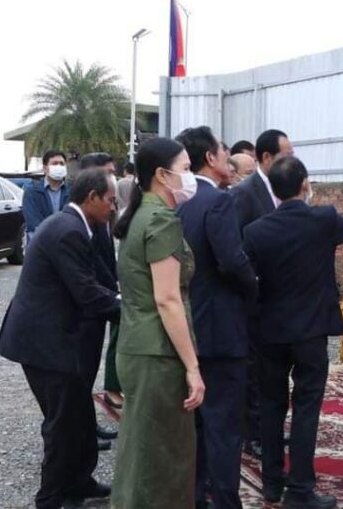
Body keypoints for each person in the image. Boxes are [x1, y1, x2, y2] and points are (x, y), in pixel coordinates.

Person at [243, 156, 343, 509]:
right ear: (304, 184)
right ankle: (300, 488)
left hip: (269, 331)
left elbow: (248, 279)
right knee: (306, 407)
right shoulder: (323, 219)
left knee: (271, 406)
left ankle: (271, 484)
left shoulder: (255, 231)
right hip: (310, 331)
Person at [0, 169, 121, 509]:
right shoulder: (68, 231)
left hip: (58, 338)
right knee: (62, 424)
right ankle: (50, 497)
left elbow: (97, 278)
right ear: (92, 197)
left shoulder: (76, 225)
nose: (113, 208)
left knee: (80, 417)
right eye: (110, 201)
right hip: (45, 343)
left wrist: (119, 295)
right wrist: (132, 311)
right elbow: (87, 292)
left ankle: (79, 483)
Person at [111, 138, 205, 509]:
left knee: (142, 452)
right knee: (165, 459)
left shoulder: (140, 215)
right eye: (186, 169)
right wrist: (193, 367)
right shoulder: (161, 219)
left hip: (138, 346)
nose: (191, 176)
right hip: (158, 353)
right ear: (162, 175)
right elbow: (167, 299)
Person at [175, 127, 257, 509]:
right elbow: (231, 260)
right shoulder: (218, 201)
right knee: (224, 426)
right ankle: (226, 501)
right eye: (224, 152)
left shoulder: (178, 201)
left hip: (189, 325)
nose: (229, 159)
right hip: (221, 329)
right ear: (210, 157)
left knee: (197, 425)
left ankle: (195, 497)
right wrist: (254, 284)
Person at [231, 129, 293, 456]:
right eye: (286, 155)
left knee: (273, 369)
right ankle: (252, 433)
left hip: (280, 298)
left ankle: (269, 427)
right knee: (254, 369)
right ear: (266, 158)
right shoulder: (245, 194)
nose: (291, 161)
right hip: (253, 296)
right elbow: (235, 246)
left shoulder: (287, 190)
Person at [77, 152, 121, 445]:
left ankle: (87, 425)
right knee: (79, 372)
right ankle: (80, 432)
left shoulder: (104, 212)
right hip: (89, 306)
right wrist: (116, 296)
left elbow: (107, 254)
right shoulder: (78, 222)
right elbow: (91, 265)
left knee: (88, 370)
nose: (112, 176)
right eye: (107, 172)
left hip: (103, 297)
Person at [23, 149, 70, 240]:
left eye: (62, 164)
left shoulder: (71, 191)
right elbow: (33, 222)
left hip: (65, 242)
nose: (59, 166)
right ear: (45, 168)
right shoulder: (32, 191)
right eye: (55, 163)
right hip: (39, 242)